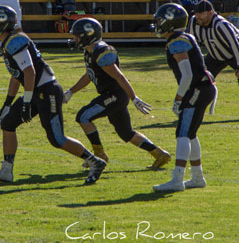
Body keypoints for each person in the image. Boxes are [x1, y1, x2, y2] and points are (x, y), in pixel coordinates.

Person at [0, 6, 107, 185]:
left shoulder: (15, 40)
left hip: (47, 91)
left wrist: (26, 100)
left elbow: (29, 71)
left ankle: (95, 161)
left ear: (0, 25)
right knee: (7, 122)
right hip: (36, 90)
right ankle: (6, 170)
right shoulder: (10, 41)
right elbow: (17, 76)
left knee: (57, 139)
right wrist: (8, 102)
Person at [63, 18, 171, 170]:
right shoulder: (90, 51)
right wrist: (71, 92)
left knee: (83, 116)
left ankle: (99, 155)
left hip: (114, 95)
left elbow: (119, 76)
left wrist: (134, 98)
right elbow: (89, 74)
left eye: (77, 36)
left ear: (87, 35)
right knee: (126, 133)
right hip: (112, 95)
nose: (74, 39)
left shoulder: (102, 52)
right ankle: (159, 154)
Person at [152, 3, 216, 191]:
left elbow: (187, 74)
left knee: (182, 134)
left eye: (159, 21)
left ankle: (177, 179)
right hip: (202, 88)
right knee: (190, 134)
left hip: (196, 89)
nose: (157, 24)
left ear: (169, 22)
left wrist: (178, 98)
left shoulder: (176, 41)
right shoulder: (183, 37)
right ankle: (197, 177)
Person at [188, 0, 239, 84]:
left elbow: (234, 44)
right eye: (196, 13)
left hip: (234, 53)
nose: (198, 16)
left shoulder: (221, 25)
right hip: (215, 55)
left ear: (211, 13)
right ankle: (204, 96)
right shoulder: (194, 22)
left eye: (201, 13)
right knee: (200, 79)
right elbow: (192, 45)